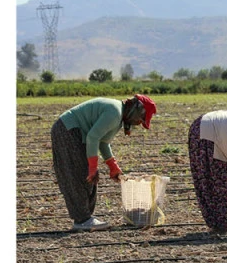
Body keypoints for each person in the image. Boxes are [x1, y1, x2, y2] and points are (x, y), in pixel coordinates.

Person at [51, 94, 157, 232]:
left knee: (86, 175)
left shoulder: (117, 116)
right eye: (141, 119)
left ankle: (86, 218)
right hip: (68, 130)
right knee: (79, 175)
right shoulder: (114, 112)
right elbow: (93, 137)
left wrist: (113, 167)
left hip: (72, 131)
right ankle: (82, 220)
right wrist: (93, 167)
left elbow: (103, 142)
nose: (138, 123)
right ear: (136, 110)